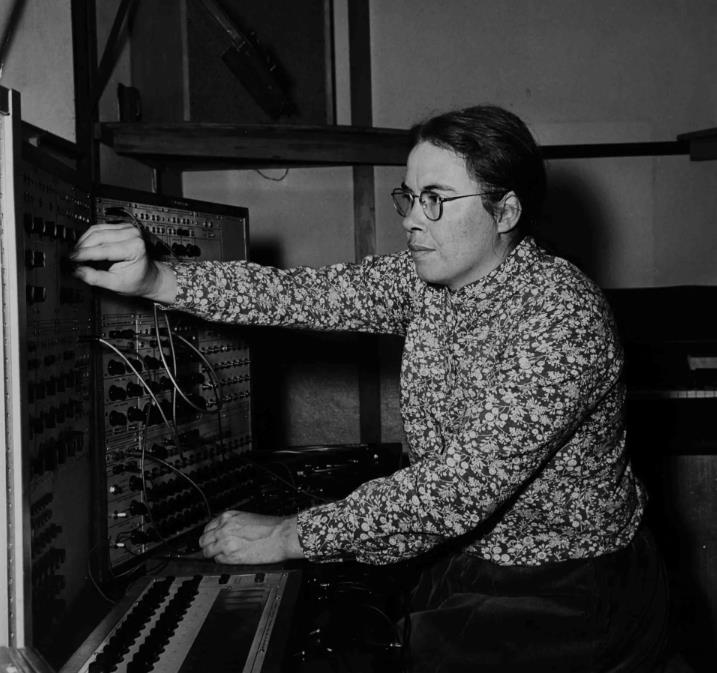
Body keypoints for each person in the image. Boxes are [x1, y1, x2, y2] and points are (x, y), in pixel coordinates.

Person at [71, 105, 669, 672]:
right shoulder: (426, 278)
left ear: (505, 212)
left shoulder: (562, 318)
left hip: (570, 584)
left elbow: (453, 493)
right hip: (475, 559)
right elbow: (297, 295)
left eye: (435, 200)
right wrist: (155, 279)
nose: (410, 218)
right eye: (409, 196)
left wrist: (289, 535)